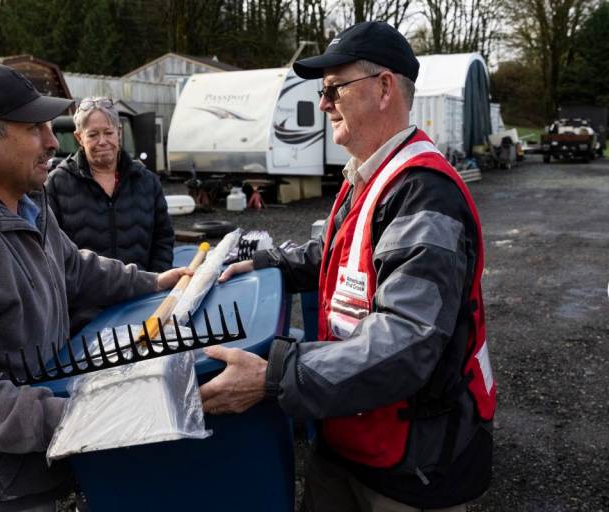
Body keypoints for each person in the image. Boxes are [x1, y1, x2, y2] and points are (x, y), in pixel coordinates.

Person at [200, 21, 496, 512]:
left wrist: (276, 376)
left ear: (383, 88)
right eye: (322, 92)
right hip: (347, 433)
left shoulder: (424, 194)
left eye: (334, 89)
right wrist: (267, 261)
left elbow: (408, 338)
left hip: (409, 464)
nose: (323, 104)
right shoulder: (370, 174)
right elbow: (341, 255)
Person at [0, 64, 189, 512]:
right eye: (35, 129)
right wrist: (87, 416)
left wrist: (155, 281)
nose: (53, 142)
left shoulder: (25, 204)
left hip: (28, 475)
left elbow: (74, 268)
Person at [45, 97, 174, 273]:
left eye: (108, 132)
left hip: (143, 293)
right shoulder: (57, 183)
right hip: (85, 298)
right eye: (93, 135)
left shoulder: (146, 181)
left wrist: (156, 281)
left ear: (118, 132)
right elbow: (51, 249)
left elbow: (163, 239)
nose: (102, 141)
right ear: (79, 137)